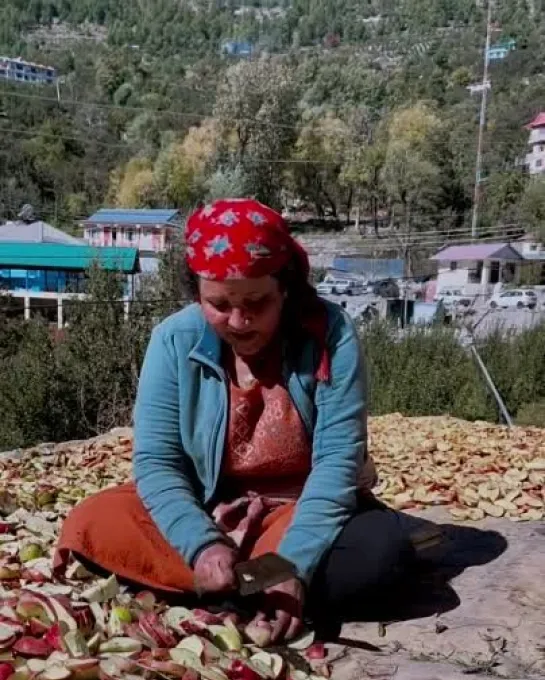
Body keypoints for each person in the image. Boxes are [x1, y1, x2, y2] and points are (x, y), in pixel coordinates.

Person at [56, 199, 407, 643]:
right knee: (92, 520)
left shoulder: (328, 335)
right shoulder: (173, 340)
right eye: (218, 304)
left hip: (295, 511)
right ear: (196, 295)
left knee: (376, 553)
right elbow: (158, 463)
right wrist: (202, 545)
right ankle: (245, 582)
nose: (239, 321)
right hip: (208, 504)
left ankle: (252, 582)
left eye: (257, 302)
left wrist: (292, 561)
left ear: (285, 289)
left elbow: (338, 461)